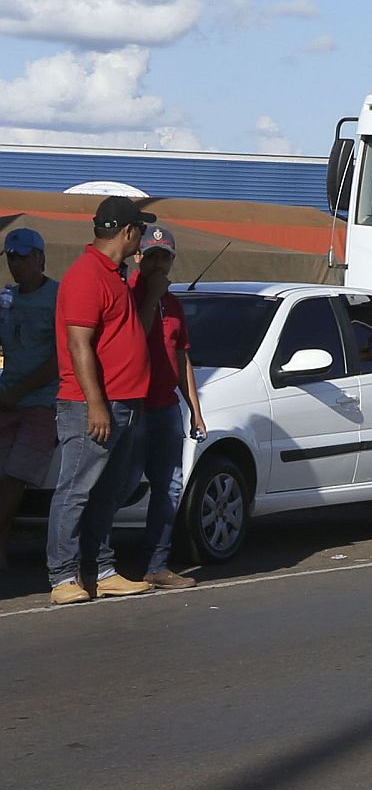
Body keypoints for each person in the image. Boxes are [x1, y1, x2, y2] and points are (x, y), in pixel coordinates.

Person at [47, 196, 164, 604]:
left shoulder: (115, 274)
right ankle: (62, 577)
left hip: (126, 402)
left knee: (106, 492)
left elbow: (127, 334)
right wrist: (96, 403)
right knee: (76, 490)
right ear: (128, 231)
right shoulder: (86, 275)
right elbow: (79, 344)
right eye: (141, 231)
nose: (143, 238)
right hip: (92, 405)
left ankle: (101, 570)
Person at [128, 225, 204, 589]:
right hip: (134, 407)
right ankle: (92, 561)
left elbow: (181, 357)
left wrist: (195, 409)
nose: (159, 263)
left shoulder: (174, 305)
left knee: (169, 486)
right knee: (122, 485)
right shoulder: (129, 295)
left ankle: (156, 563)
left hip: (166, 407)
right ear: (138, 257)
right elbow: (132, 340)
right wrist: (150, 296)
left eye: (165, 256)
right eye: (152, 255)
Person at [0, 229, 60, 573]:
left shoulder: (57, 297)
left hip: (41, 401)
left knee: (16, 475)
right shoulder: (6, 300)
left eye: (23, 257)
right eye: (11, 257)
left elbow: (58, 358)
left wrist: (18, 392)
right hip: (7, 398)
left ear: (40, 258)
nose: (16, 264)